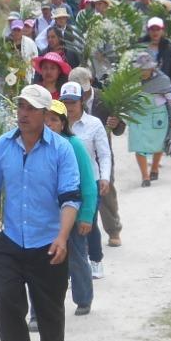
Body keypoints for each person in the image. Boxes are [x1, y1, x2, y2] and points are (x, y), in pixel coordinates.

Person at [0, 84, 81, 341]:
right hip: (11, 238)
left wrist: (62, 237)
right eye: (21, 106)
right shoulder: (3, 146)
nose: (24, 113)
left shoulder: (61, 149)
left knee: (49, 307)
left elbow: (71, 198)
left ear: (46, 114)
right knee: (7, 301)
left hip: (48, 240)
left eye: (31, 108)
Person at [43, 99, 97, 317]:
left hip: (72, 214)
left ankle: (83, 298)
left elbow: (87, 183)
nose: (49, 125)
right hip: (48, 216)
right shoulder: (38, 145)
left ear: (63, 123)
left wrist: (86, 215)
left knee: (76, 257)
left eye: (54, 120)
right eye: (45, 120)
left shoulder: (73, 145)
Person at [69, 66, 125, 254]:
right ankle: (83, 235)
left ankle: (113, 229)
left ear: (90, 83)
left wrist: (116, 124)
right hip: (76, 156)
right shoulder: (68, 100)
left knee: (106, 191)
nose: (81, 98)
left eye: (83, 92)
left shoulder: (104, 99)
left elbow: (120, 128)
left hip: (101, 153)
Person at [61, 81, 111, 282]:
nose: (69, 106)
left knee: (87, 221)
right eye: (65, 102)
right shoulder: (56, 125)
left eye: (73, 102)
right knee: (67, 225)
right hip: (65, 184)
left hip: (91, 182)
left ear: (81, 101)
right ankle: (72, 269)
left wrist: (105, 177)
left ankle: (96, 259)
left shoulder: (94, 124)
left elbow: (104, 154)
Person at [127, 51, 171, 186]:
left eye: (145, 69)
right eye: (140, 69)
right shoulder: (130, 79)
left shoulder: (163, 79)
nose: (142, 72)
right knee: (138, 144)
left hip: (157, 114)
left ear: (152, 68)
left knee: (158, 143)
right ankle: (145, 176)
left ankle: (154, 168)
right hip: (137, 114)